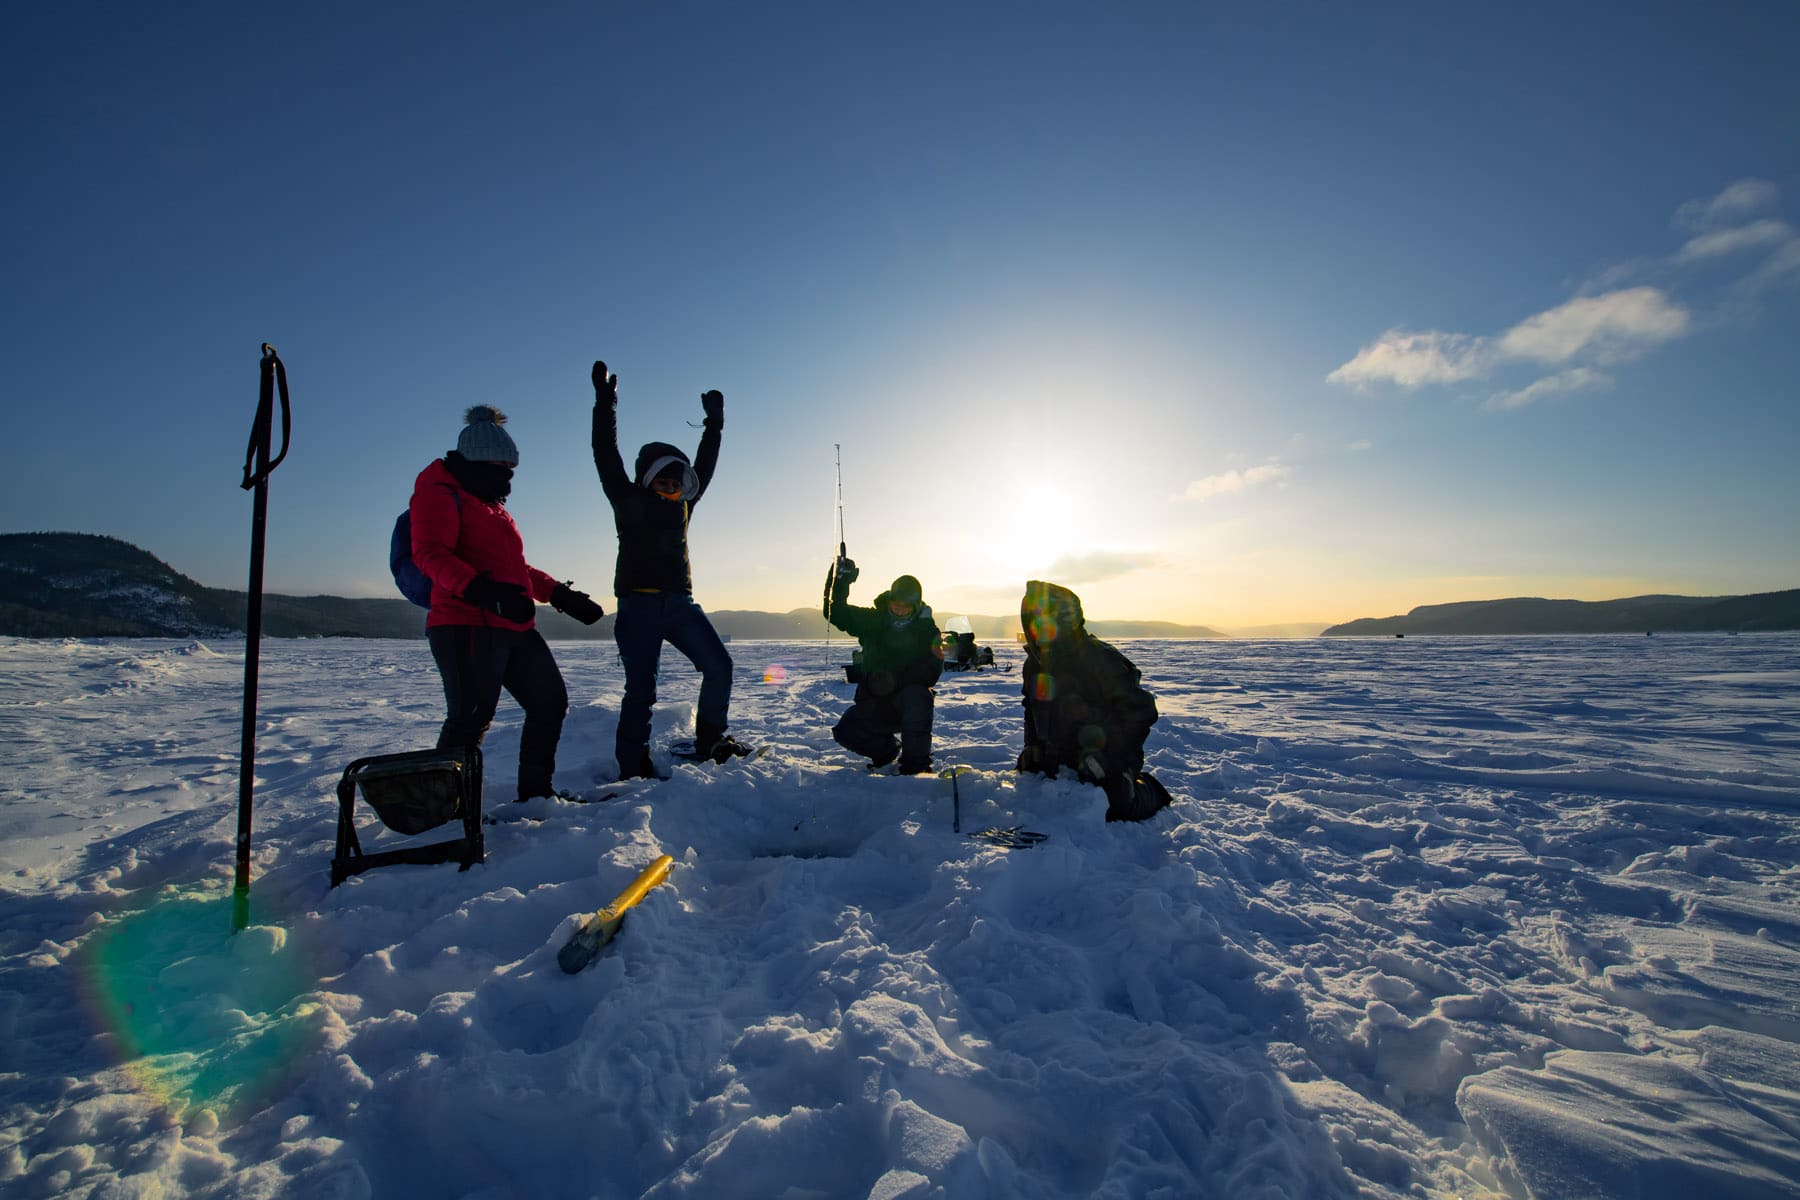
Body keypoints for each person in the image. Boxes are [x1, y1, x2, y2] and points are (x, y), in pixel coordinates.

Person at [410, 406, 606, 802]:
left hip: (514, 627)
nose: (507, 477)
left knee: (549, 702)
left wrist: (559, 594)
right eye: (499, 468)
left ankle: (537, 796)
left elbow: (516, 569)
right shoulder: (439, 492)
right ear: (474, 461)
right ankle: (441, 810)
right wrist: (484, 593)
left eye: (510, 469)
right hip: (464, 623)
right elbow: (430, 554)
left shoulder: (493, 507)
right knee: (470, 719)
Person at [591, 359, 749, 779]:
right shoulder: (627, 500)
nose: (671, 487)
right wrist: (605, 403)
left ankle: (711, 740)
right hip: (638, 609)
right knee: (641, 690)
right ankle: (633, 766)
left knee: (720, 666)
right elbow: (605, 453)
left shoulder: (684, 507)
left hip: (680, 605)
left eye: (677, 482)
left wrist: (714, 425)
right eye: (663, 480)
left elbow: (706, 465)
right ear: (647, 479)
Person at [1017, 580, 1169, 822]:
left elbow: (1139, 712)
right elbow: (1031, 708)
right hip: (1057, 755)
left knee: (1112, 800)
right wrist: (1032, 746)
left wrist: (1107, 758)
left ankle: (1148, 790)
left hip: (1105, 759)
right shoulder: (1034, 664)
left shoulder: (1100, 659)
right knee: (1028, 784)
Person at [823, 556, 943, 773]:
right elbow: (835, 613)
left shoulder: (926, 631)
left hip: (908, 707)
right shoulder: (873, 620)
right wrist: (840, 583)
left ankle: (916, 766)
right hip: (874, 703)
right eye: (895, 606)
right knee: (846, 730)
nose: (899, 611)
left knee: (917, 695)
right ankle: (886, 752)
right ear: (889, 601)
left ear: (916, 607)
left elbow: (932, 670)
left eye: (905, 608)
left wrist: (894, 680)